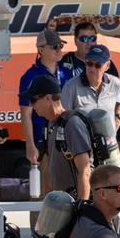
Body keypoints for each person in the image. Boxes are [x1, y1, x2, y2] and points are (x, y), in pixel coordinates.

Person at [27, 74, 93, 201]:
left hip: (74, 202)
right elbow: (48, 168)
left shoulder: (72, 124)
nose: (31, 106)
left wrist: (81, 207)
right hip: (61, 203)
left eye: (33, 100)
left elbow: (85, 169)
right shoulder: (49, 124)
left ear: (47, 98)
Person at [62, 44, 120, 170]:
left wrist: (118, 119)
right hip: (83, 148)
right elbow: (64, 119)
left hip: (109, 145)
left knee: (119, 184)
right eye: (89, 64)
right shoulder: (70, 87)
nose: (92, 69)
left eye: (98, 65)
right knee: (87, 184)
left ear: (107, 66)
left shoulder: (115, 83)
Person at [18, 29, 76, 169]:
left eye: (60, 46)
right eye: (54, 47)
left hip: (67, 132)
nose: (59, 50)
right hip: (43, 136)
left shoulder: (67, 72)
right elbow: (26, 114)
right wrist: (30, 144)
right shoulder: (29, 76)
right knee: (47, 181)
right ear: (41, 50)